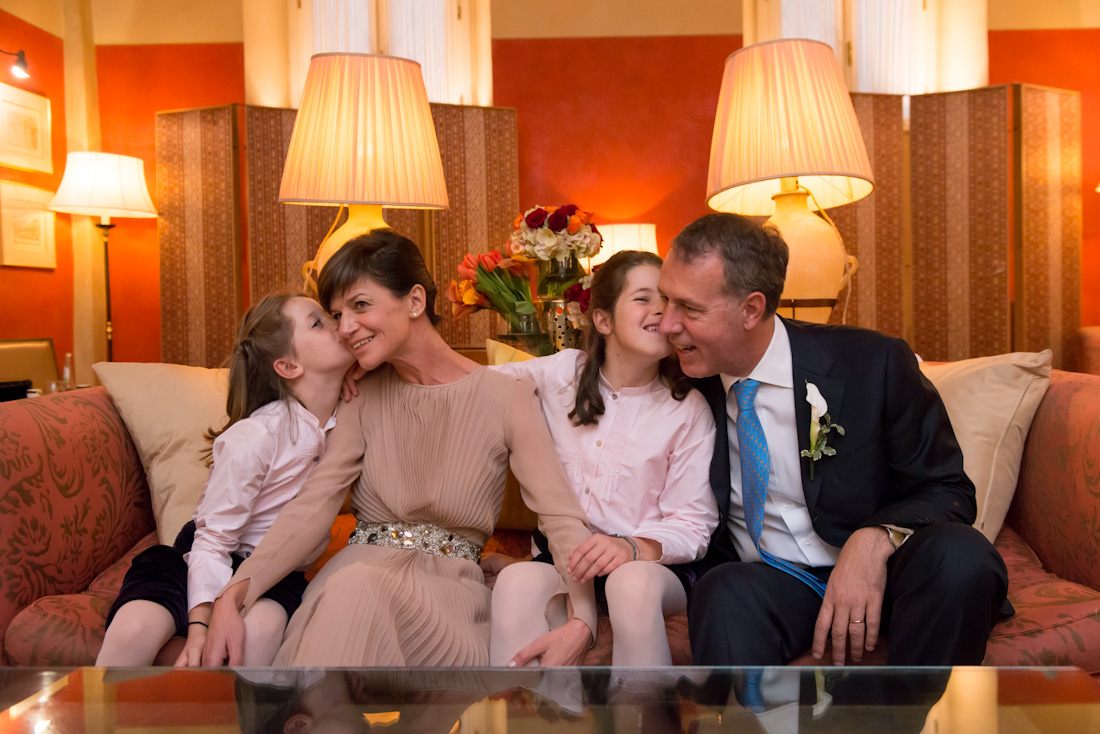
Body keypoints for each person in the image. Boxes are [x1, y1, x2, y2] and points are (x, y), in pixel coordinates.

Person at [202, 229, 597, 667]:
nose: (345, 328)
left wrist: (584, 619)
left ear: (414, 301)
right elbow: (313, 505)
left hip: (450, 601)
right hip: (353, 584)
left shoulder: (507, 397)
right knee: (356, 588)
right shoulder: (361, 393)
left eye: (360, 305)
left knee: (360, 595)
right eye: (337, 314)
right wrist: (233, 594)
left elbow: (560, 517)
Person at [657, 212, 1009, 666]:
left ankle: (920, 708)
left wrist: (872, 541)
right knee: (721, 592)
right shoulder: (677, 382)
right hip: (772, 584)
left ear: (751, 309)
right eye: (665, 300)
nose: (667, 325)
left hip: (889, 575)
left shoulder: (872, 363)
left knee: (962, 557)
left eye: (689, 309)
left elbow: (948, 488)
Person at [96, 293, 355, 667]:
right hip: (196, 558)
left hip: (273, 575)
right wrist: (200, 627)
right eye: (319, 322)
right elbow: (213, 539)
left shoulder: (350, 419)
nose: (339, 323)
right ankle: (93, 703)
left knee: (257, 636)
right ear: (288, 366)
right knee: (134, 628)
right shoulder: (257, 435)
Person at [487, 250, 717, 667]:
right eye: (643, 298)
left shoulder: (687, 409)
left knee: (630, 585)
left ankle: (645, 704)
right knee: (516, 580)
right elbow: (477, 386)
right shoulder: (562, 374)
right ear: (603, 320)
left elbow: (693, 525)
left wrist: (631, 547)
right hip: (565, 560)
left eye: (668, 300)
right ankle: (526, 704)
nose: (661, 310)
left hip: (648, 566)